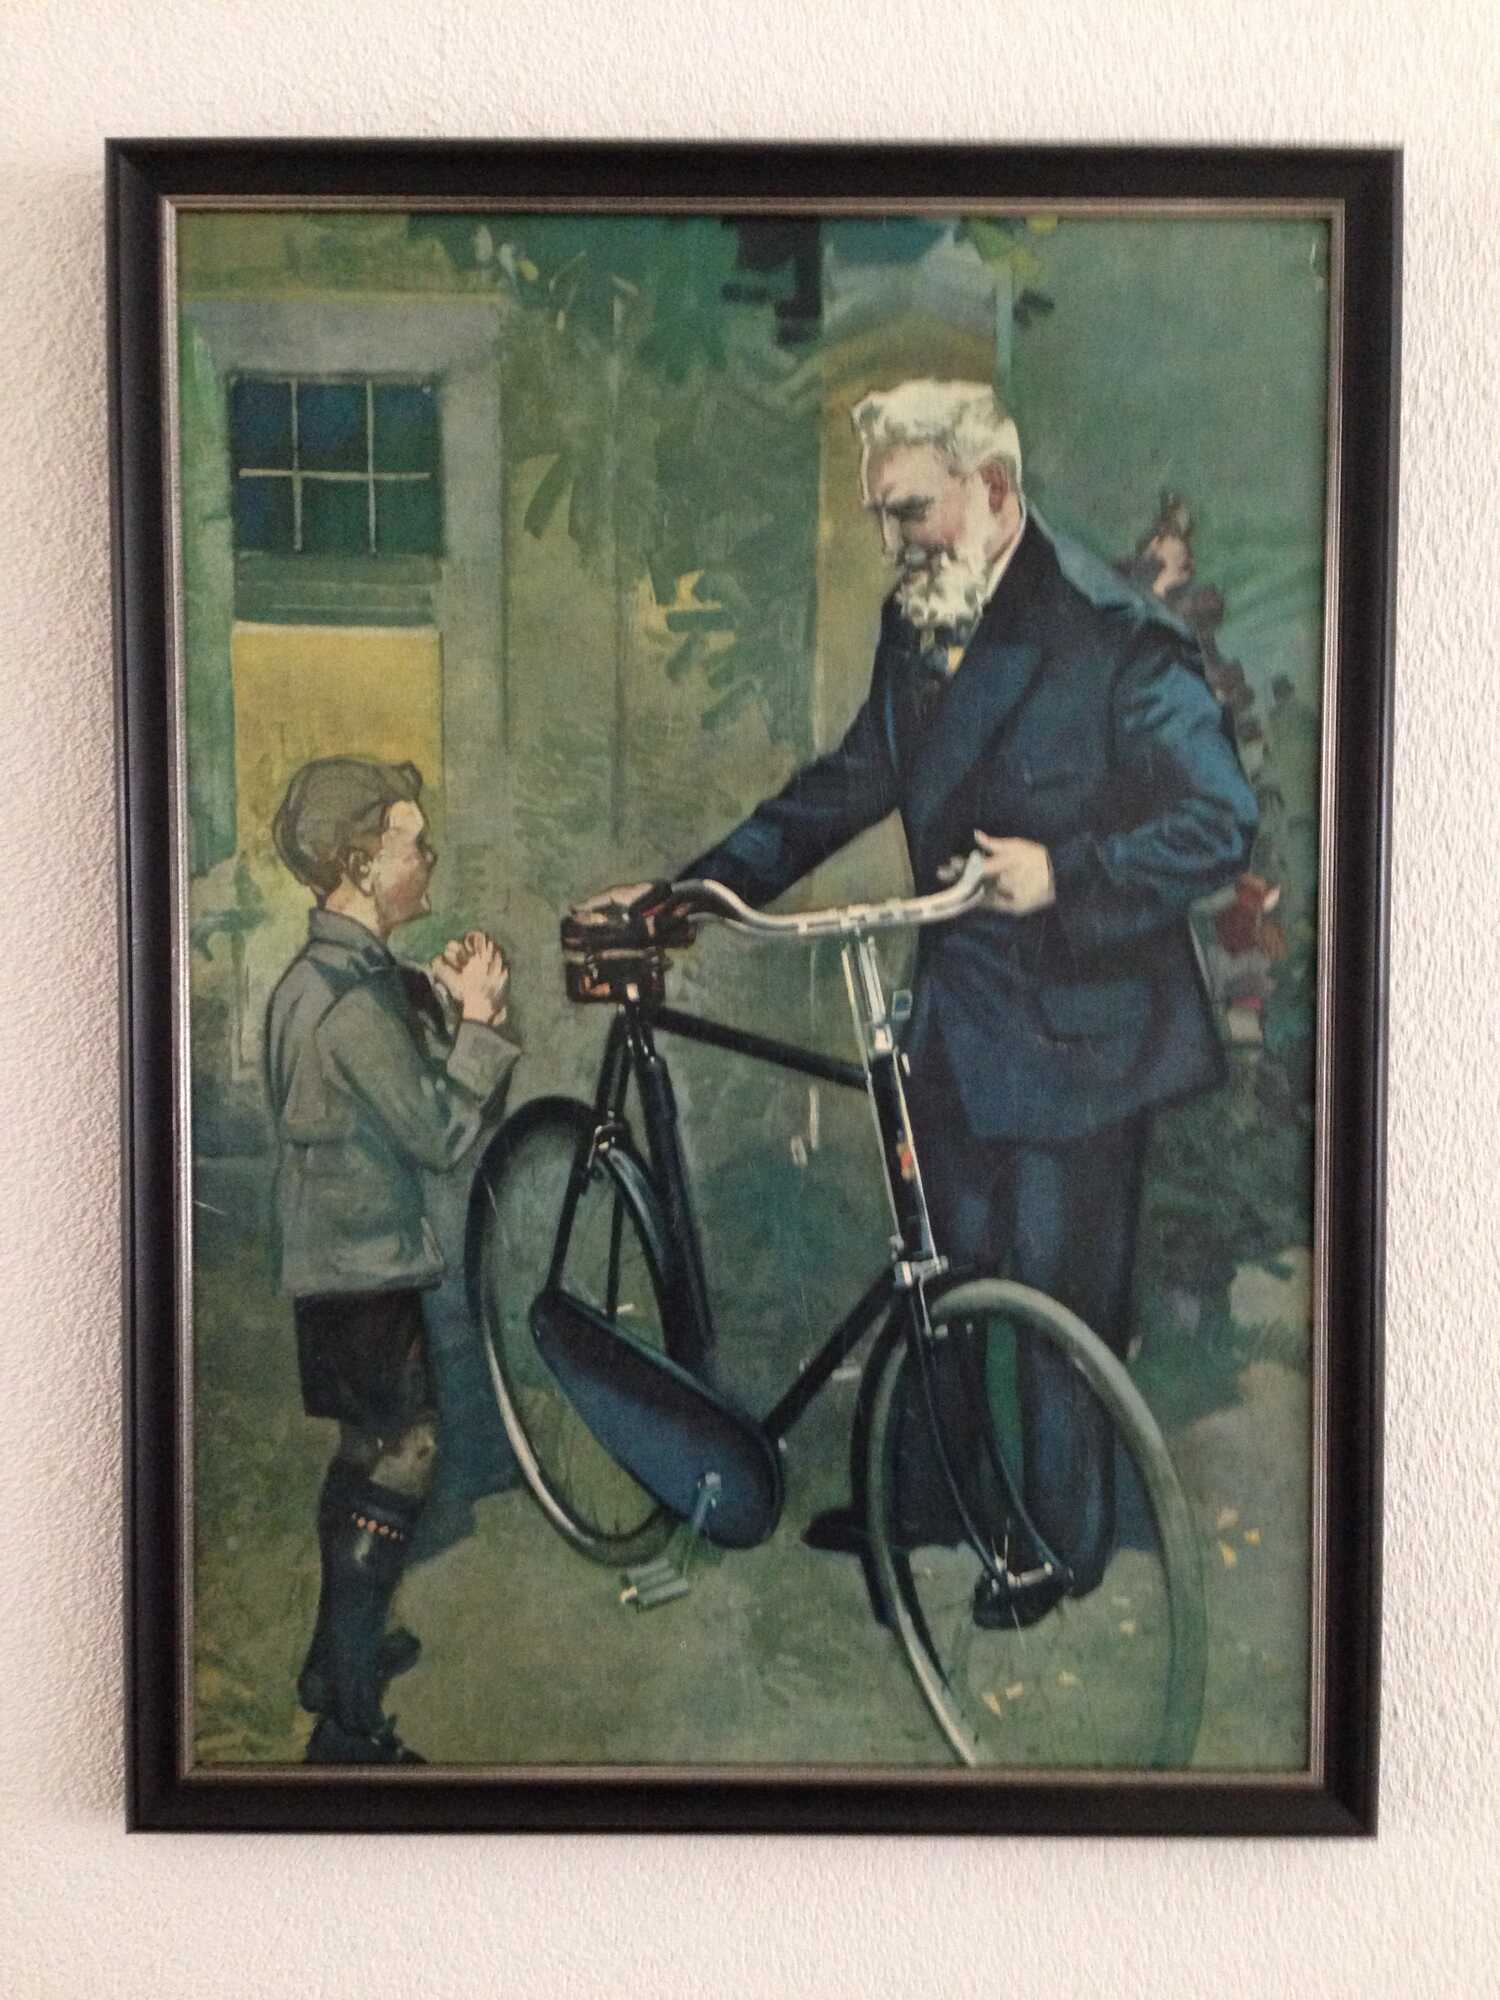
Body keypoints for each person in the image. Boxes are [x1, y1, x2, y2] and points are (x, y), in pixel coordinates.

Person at [590, 378, 1257, 1628]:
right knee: (935, 1272)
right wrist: (693, 893)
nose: (894, 542)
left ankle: (1054, 1545)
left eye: (909, 512)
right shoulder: (923, 617)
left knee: (1054, 1308)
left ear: (992, 489)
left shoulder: (1109, 629)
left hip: (1083, 1038)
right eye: (881, 517)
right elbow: (851, 780)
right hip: (961, 1014)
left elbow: (1220, 819)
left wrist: (1064, 873)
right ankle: (934, 1503)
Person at [264, 756, 518, 1763]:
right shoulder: (354, 1005)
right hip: (364, 1269)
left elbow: (385, 1095)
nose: (431, 858)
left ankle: (336, 1657)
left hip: (332, 1265)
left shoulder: (328, 980)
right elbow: (442, 1135)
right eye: (415, 843)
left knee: (365, 1449)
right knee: (405, 1453)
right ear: (364, 863)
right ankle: (350, 1723)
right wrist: (483, 1023)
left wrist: (442, 1005)